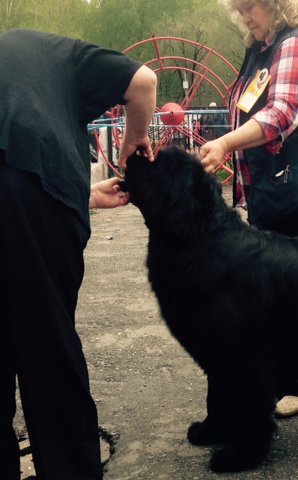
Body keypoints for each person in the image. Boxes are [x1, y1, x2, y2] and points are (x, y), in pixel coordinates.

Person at [0, 29, 157, 480]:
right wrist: (133, 140)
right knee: (47, 343)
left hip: (28, 195)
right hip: (36, 206)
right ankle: (69, 469)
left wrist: (82, 194)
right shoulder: (65, 55)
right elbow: (143, 83)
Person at [199, 0, 298, 417]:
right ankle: (288, 369)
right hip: (281, 183)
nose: (244, 17)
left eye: (250, 7)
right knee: (280, 284)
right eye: (239, 9)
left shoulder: (297, 45)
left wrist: (226, 143)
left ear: (276, 4)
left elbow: (281, 114)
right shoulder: (264, 46)